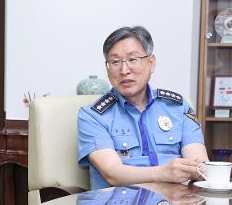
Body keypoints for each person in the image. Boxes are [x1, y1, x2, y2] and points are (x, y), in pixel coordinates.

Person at [77, 26, 209, 190]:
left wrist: (199, 169)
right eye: (115, 62)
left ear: (151, 63)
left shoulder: (177, 106)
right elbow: (112, 173)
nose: (124, 70)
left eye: (133, 59)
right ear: (107, 68)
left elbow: (200, 165)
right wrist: (162, 173)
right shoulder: (93, 116)